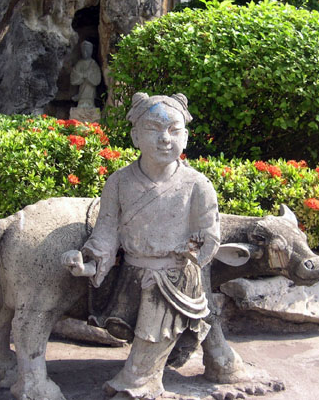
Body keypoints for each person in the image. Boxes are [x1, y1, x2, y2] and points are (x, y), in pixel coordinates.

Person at [62, 92, 220, 399]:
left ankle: (135, 385)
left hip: (176, 282)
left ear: (185, 138)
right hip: (131, 277)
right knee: (144, 344)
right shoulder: (119, 182)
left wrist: (189, 253)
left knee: (147, 350)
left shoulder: (198, 185)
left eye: (174, 131)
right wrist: (90, 263)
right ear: (135, 136)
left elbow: (209, 235)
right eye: (153, 129)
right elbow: (107, 232)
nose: (165, 139)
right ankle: (139, 384)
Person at [70, 40, 101, 108]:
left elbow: (97, 79)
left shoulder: (93, 64)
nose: (85, 52)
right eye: (83, 50)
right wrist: (82, 76)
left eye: (87, 50)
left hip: (90, 92)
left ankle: (90, 103)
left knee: (89, 90)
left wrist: (88, 76)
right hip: (81, 91)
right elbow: (74, 76)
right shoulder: (79, 63)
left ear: (91, 50)